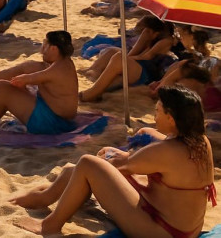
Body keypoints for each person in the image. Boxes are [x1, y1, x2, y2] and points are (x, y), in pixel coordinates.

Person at [11, 85, 216, 237]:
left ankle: (50, 226)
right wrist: (143, 136)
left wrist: (110, 152)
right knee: (73, 171)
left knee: (87, 164)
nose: (154, 117)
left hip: (162, 231)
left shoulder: (166, 151)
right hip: (184, 227)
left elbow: (120, 166)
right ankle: (46, 196)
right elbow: (156, 148)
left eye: (157, 112)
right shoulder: (199, 141)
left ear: (171, 119)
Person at [0, 30, 77, 136]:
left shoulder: (57, 69)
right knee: (11, 87)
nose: (42, 51)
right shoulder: (65, 63)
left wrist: (19, 80)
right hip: (61, 121)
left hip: (52, 124)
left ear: (53, 49)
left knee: (3, 88)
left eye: (45, 46)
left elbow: (31, 78)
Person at [80, 17, 175, 102]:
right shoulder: (149, 37)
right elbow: (132, 53)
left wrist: (125, 59)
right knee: (111, 51)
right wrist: (143, 38)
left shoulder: (167, 40)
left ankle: (92, 93)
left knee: (119, 58)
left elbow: (147, 57)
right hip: (138, 67)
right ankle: (93, 73)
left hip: (147, 73)